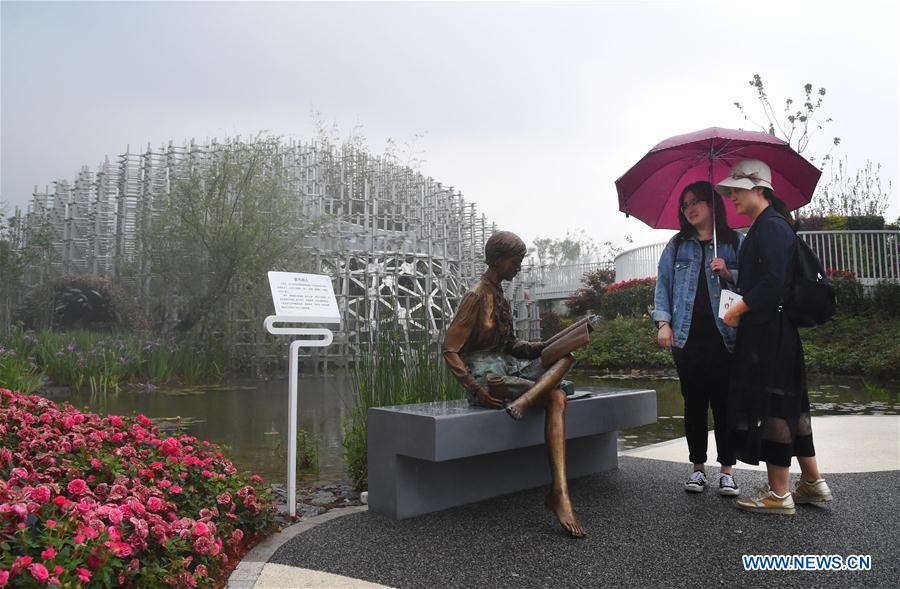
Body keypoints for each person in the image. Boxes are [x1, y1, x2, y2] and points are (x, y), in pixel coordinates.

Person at [442, 231, 585, 538]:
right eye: (515, 261)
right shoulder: (476, 296)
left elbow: (509, 345)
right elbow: (450, 349)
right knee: (556, 396)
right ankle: (559, 495)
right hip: (487, 379)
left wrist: (544, 346)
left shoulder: (499, 294)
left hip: (508, 367)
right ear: (497, 260)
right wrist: (475, 388)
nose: (519, 267)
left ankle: (526, 400)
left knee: (566, 358)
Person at [717, 159, 833, 515]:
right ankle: (812, 482)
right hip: (779, 332)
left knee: (774, 407)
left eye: (736, 189)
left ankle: (779, 494)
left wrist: (738, 309)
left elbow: (773, 284)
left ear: (758, 189)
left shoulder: (769, 227)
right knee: (793, 404)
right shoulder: (769, 226)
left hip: (770, 336)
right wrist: (736, 281)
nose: (731, 197)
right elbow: (767, 279)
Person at [652, 181, 743, 496]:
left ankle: (727, 471)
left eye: (697, 202)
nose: (690, 208)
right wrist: (663, 323)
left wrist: (729, 273)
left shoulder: (734, 242)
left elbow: (757, 285)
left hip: (726, 337)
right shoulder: (677, 245)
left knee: (725, 406)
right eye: (685, 204)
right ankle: (697, 469)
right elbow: (663, 284)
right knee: (694, 405)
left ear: (712, 204)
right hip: (687, 338)